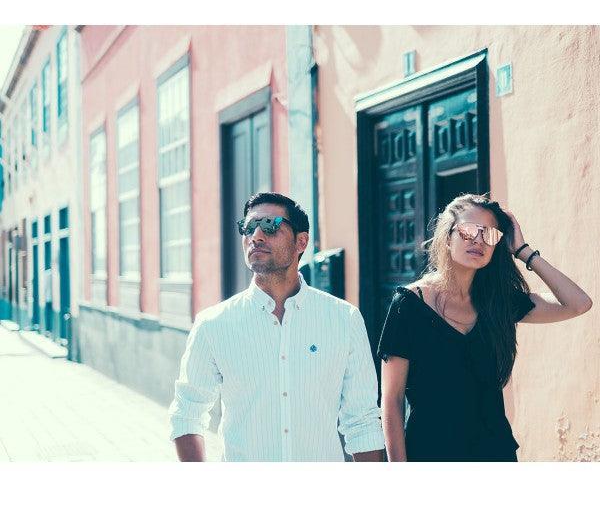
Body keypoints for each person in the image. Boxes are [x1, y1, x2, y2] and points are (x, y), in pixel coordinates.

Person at [169, 192, 384, 462]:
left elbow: (362, 421)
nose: (256, 236)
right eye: (249, 227)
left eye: (270, 225)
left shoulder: (344, 319)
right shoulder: (213, 324)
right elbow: (186, 413)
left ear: (301, 242)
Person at [379, 193, 593, 462]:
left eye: (489, 234)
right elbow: (392, 400)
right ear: (447, 237)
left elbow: (578, 304)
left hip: (495, 453)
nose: (478, 240)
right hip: (430, 454)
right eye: (468, 231)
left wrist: (524, 251)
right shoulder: (409, 305)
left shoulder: (499, 303)